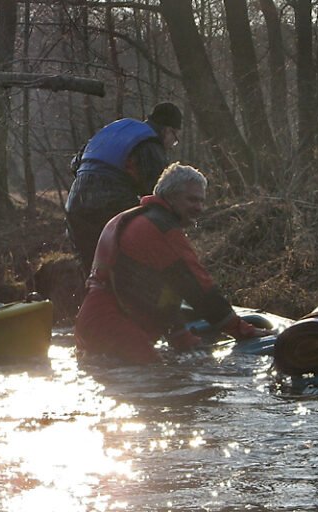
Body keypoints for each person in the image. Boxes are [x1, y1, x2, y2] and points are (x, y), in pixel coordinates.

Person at [74, 163, 273, 364]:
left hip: (92, 325)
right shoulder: (161, 229)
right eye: (192, 200)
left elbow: (156, 294)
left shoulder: (141, 219)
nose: (199, 208)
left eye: (201, 201)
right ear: (170, 196)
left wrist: (182, 337)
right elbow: (199, 288)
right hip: (116, 328)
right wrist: (241, 330)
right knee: (160, 378)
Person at [66, 102, 183, 274]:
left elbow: (75, 164)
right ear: (167, 131)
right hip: (111, 203)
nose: (171, 146)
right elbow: (158, 193)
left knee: (91, 269)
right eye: (175, 140)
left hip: (75, 205)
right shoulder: (151, 144)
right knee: (126, 266)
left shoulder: (114, 129)